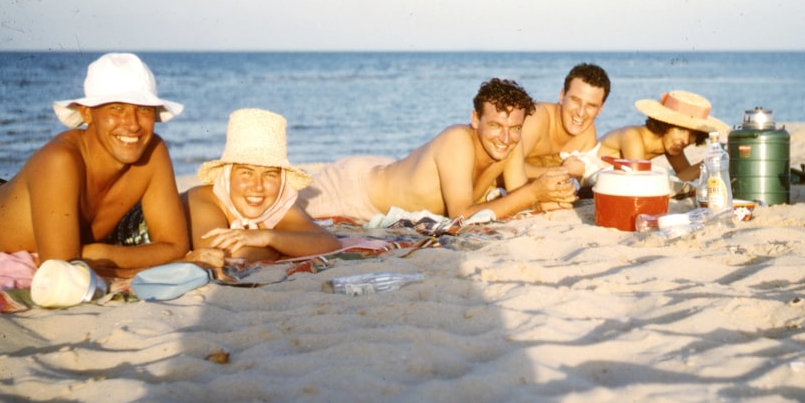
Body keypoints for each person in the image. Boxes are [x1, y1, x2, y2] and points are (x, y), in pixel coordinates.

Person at [0, 53, 190, 279]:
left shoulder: (152, 152)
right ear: (87, 113)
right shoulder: (60, 160)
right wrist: (134, 267)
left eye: (144, 109)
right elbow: (61, 268)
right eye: (116, 108)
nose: (133, 124)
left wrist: (98, 252)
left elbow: (175, 246)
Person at [300, 78, 577, 222]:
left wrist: (552, 195)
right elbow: (461, 214)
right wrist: (534, 192)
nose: (505, 137)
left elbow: (518, 199)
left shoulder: (510, 145)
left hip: (390, 172)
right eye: (495, 125)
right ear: (475, 119)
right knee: (273, 217)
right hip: (355, 189)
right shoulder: (457, 140)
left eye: (515, 128)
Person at [182, 108, 340, 266]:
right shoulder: (201, 199)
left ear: (281, 179)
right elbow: (223, 257)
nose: (258, 187)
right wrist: (280, 246)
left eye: (270, 175)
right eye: (246, 173)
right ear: (227, 174)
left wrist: (267, 237)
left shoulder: (277, 205)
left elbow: (328, 243)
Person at [597, 90, 730, 182]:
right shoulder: (632, 137)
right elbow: (640, 184)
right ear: (664, 124)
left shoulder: (673, 144)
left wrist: (708, 163)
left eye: (693, 134)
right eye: (680, 129)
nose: (685, 140)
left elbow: (688, 178)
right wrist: (703, 165)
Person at [520, 63, 611, 182]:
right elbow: (505, 166)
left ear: (600, 109)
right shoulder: (537, 118)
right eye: (575, 100)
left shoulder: (587, 134)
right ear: (562, 96)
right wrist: (564, 171)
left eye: (591, 105)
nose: (581, 112)